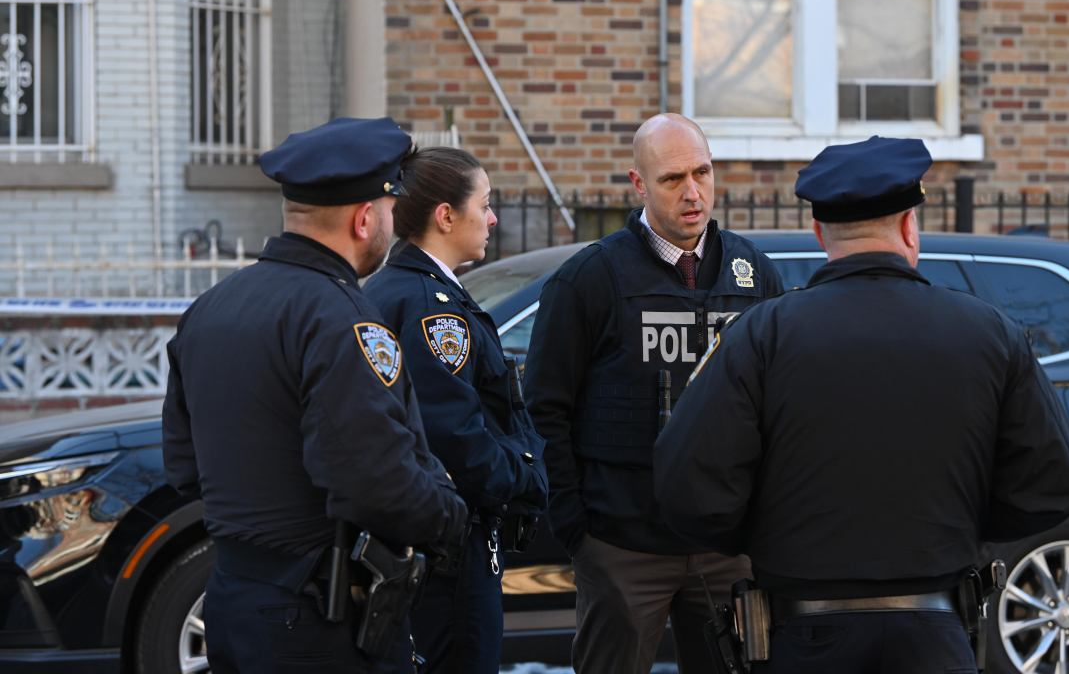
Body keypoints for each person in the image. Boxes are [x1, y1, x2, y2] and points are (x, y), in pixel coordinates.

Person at [653, 135, 1069, 673]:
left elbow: (686, 488)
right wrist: (960, 523)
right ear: (909, 226)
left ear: (819, 232)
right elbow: (1053, 482)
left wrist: (769, 533)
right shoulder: (988, 332)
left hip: (805, 634)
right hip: (937, 631)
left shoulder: (763, 335)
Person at [162, 117, 469, 674]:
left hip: (233, 599)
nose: (392, 225)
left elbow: (185, 468)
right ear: (362, 219)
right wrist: (451, 517)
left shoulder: (209, 310)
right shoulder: (341, 318)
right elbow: (376, 484)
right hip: (317, 620)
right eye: (389, 210)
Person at [524, 113, 784, 673]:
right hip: (624, 545)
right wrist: (580, 531)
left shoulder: (754, 273)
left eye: (703, 172)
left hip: (726, 545)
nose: (693, 193)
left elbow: (783, 405)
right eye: (672, 179)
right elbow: (545, 409)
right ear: (638, 184)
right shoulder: (591, 278)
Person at [363, 146, 548, 673]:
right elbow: (454, 436)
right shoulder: (429, 307)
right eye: (485, 204)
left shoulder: (403, 288)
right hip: (452, 546)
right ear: (446, 215)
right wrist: (528, 477)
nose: (492, 218)